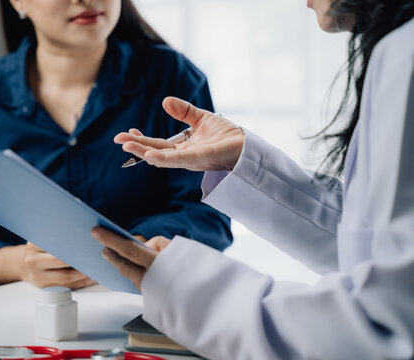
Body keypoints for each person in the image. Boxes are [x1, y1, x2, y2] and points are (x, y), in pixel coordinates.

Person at [92, 0, 414, 358]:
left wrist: (187, 288)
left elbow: (385, 329)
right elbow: (371, 242)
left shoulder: (404, 54)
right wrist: (246, 164)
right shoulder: (399, 48)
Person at [0, 0, 233, 295]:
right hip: (20, 316)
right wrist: (20, 264)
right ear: (18, 2)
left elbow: (210, 217)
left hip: (147, 305)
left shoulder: (173, 77)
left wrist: (133, 248)